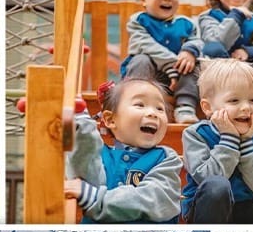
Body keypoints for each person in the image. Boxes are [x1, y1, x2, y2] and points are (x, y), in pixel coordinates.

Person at [181, 58, 253, 223]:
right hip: (209, 208)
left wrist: (246, 142)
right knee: (217, 185)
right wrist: (229, 139)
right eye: (234, 101)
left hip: (252, 209)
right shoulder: (196, 134)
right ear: (208, 107)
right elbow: (207, 178)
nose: (246, 108)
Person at [65, 78, 183, 223]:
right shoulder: (99, 154)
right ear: (110, 120)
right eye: (140, 105)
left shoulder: (167, 158)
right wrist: (82, 127)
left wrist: (96, 198)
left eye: (160, 108)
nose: (153, 113)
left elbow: (155, 198)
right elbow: (85, 172)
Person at [121, 0, 202, 124]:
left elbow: (196, 41)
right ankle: (137, 102)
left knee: (192, 63)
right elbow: (145, 45)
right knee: (141, 59)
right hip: (147, 76)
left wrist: (189, 52)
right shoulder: (138, 21)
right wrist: (172, 66)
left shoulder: (186, 23)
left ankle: (185, 106)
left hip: (179, 79)